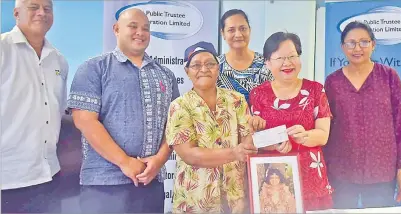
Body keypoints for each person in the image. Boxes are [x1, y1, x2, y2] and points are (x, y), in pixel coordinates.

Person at [68, 8, 179, 213]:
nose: (140, 32)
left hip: (151, 182)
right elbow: (84, 121)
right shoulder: (94, 68)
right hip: (104, 184)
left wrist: (159, 160)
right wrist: (125, 162)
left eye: (146, 28)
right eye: (133, 26)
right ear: (116, 29)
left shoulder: (166, 75)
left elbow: (175, 125)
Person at [324, 21, 401, 209]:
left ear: (373, 45)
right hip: (341, 171)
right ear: (342, 47)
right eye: (351, 43)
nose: (357, 48)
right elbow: (326, 126)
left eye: (364, 42)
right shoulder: (333, 82)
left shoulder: (389, 77)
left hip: (381, 170)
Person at [165, 41, 258, 213]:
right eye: (196, 65)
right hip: (196, 200)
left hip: (235, 199)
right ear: (187, 71)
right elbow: (189, 155)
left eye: (210, 64)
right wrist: (234, 153)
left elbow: (248, 139)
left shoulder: (237, 100)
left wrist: (267, 139)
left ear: (218, 68)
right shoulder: (179, 106)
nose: (204, 69)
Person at [249, 32, 333, 211]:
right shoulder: (258, 94)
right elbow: (253, 139)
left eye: (292, 56)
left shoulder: (315, 90)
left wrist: (305, 136)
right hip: (273, 181)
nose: (287, 63)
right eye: (279, 58)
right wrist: (273, 144)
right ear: (267, 62)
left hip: (310, 175)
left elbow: (323, 135)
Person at [0, 0, 67, 212]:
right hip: (7, 180)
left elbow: (59, 111)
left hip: (49, 176)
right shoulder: (2, 49)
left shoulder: (59, 61)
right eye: (33, 7)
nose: (41, 13)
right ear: (16, 13)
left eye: (47, 9)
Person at [218, 9, 272, 135]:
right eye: (231, 30)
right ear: (223, 34)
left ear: (250, 30)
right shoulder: (214, 67)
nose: (238, 34)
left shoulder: (267, 64)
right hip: (226, 140)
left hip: (265, 139)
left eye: (243, 28)